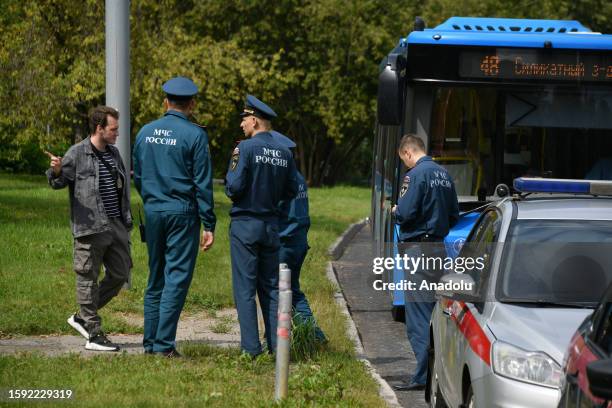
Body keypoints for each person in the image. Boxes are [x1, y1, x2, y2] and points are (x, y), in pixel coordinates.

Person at [133, 76, 216, 358]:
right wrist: (209, 223)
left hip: (154, 211)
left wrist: (153, 201)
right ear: (192, 104)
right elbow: (202, 183)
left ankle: (149, 344)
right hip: (182, 214)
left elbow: (139, 176)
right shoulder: (195, 136)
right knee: (176, 278)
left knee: (155, 277)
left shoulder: (145, 132)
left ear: (165, 102)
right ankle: (163, 346)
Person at [46, 106, 132, 352]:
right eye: (113, 129)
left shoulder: (114, 153)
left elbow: (120, 189)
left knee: (120, 274)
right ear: (99, 128)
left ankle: (83, 316)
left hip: (115, 224)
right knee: (87, 279)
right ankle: (93, 333)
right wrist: (57, 169)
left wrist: (125, 222)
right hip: (90, 227)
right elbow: (57, 182)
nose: (117, 133)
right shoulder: (78, 153)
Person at [225, 95, 298, 357]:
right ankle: (277, 348)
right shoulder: (284, 152)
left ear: (255, 120)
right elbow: (292, 189)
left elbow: (233, 187)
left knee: (245, 289)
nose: (242, 124)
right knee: (270, 288)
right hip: (271, 227)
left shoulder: (244, 149)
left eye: (244, 119)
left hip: (245, 225)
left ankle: (251, 349)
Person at [392, 134, 459, 391]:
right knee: (435, 313)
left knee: (418, 317)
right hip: (438, 249)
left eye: (404, 161)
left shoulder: (416, 175)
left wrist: (396, 211)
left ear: (408, 153)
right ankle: (439, 371)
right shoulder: (444, 174)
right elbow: (453, 215)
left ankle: (424, 377)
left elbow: (406, 212)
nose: (405, 165)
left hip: (418, 250)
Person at [272, 131, 326, 342]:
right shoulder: (298, 176)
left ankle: (280, 341)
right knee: (293, 290)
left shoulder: (281, 178)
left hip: (284, 242)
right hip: (299, 242)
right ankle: (315, 336)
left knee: (279, 292)